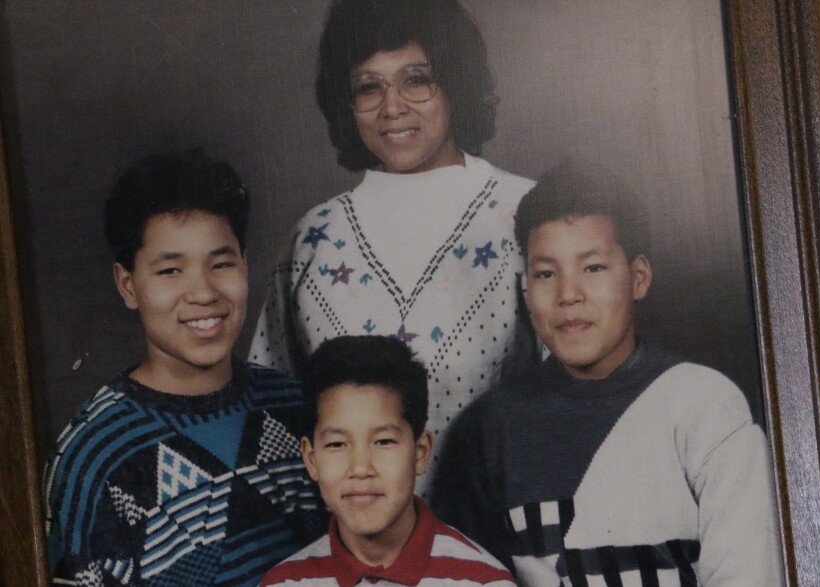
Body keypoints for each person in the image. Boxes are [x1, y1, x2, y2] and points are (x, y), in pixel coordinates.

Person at [432, 163, 784, 586]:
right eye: (546, 273)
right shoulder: (489, 428)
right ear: (525, 288)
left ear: (638, 278)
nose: (568, 295)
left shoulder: (704, 405)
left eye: (593, 268)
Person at [249, 0, 536, 492]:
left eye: (416, 79)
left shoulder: (525, 215)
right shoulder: (312, 238)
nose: (393, 106)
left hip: (500, 545)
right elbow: (269, 413)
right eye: (368, 86)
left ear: (454, 81)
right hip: (347, 554)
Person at [43, 152, 327, 586]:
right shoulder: (95, 456)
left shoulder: (299, 409)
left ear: (245, 265)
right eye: (171, 270)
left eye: (221, 263)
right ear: (128, 285)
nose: (203, 293)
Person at [260, 335, 516, 587]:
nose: (360, 468)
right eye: (337, 444)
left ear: (420, 452)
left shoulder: (483, 581)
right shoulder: (283, 583)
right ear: (311, 460)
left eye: (383, 441)